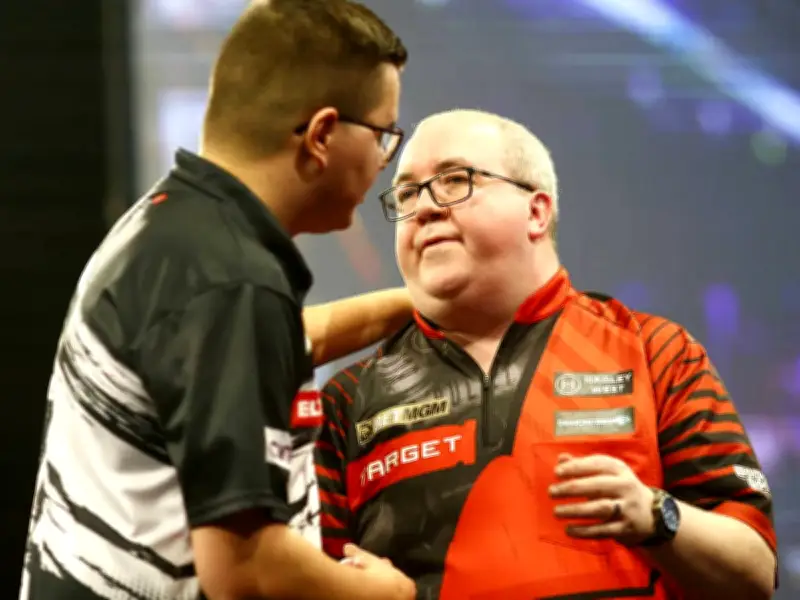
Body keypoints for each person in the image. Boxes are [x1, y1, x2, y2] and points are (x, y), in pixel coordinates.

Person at [20, 1, 416, 599]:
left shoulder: (171, 225)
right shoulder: (234, 282)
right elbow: (244, 566)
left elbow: (284, 342)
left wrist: (421, 306)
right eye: (384, 135)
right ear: (322, 135)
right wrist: (383, 595)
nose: (385, 161)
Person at [315, 109, 777, 600]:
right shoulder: (348, 399)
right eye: (407, 193)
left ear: (536, 212)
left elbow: (755, 570)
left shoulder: (657, 352)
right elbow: (300, 576)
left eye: (454, 180)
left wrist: (656, 516)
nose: (423, 208)